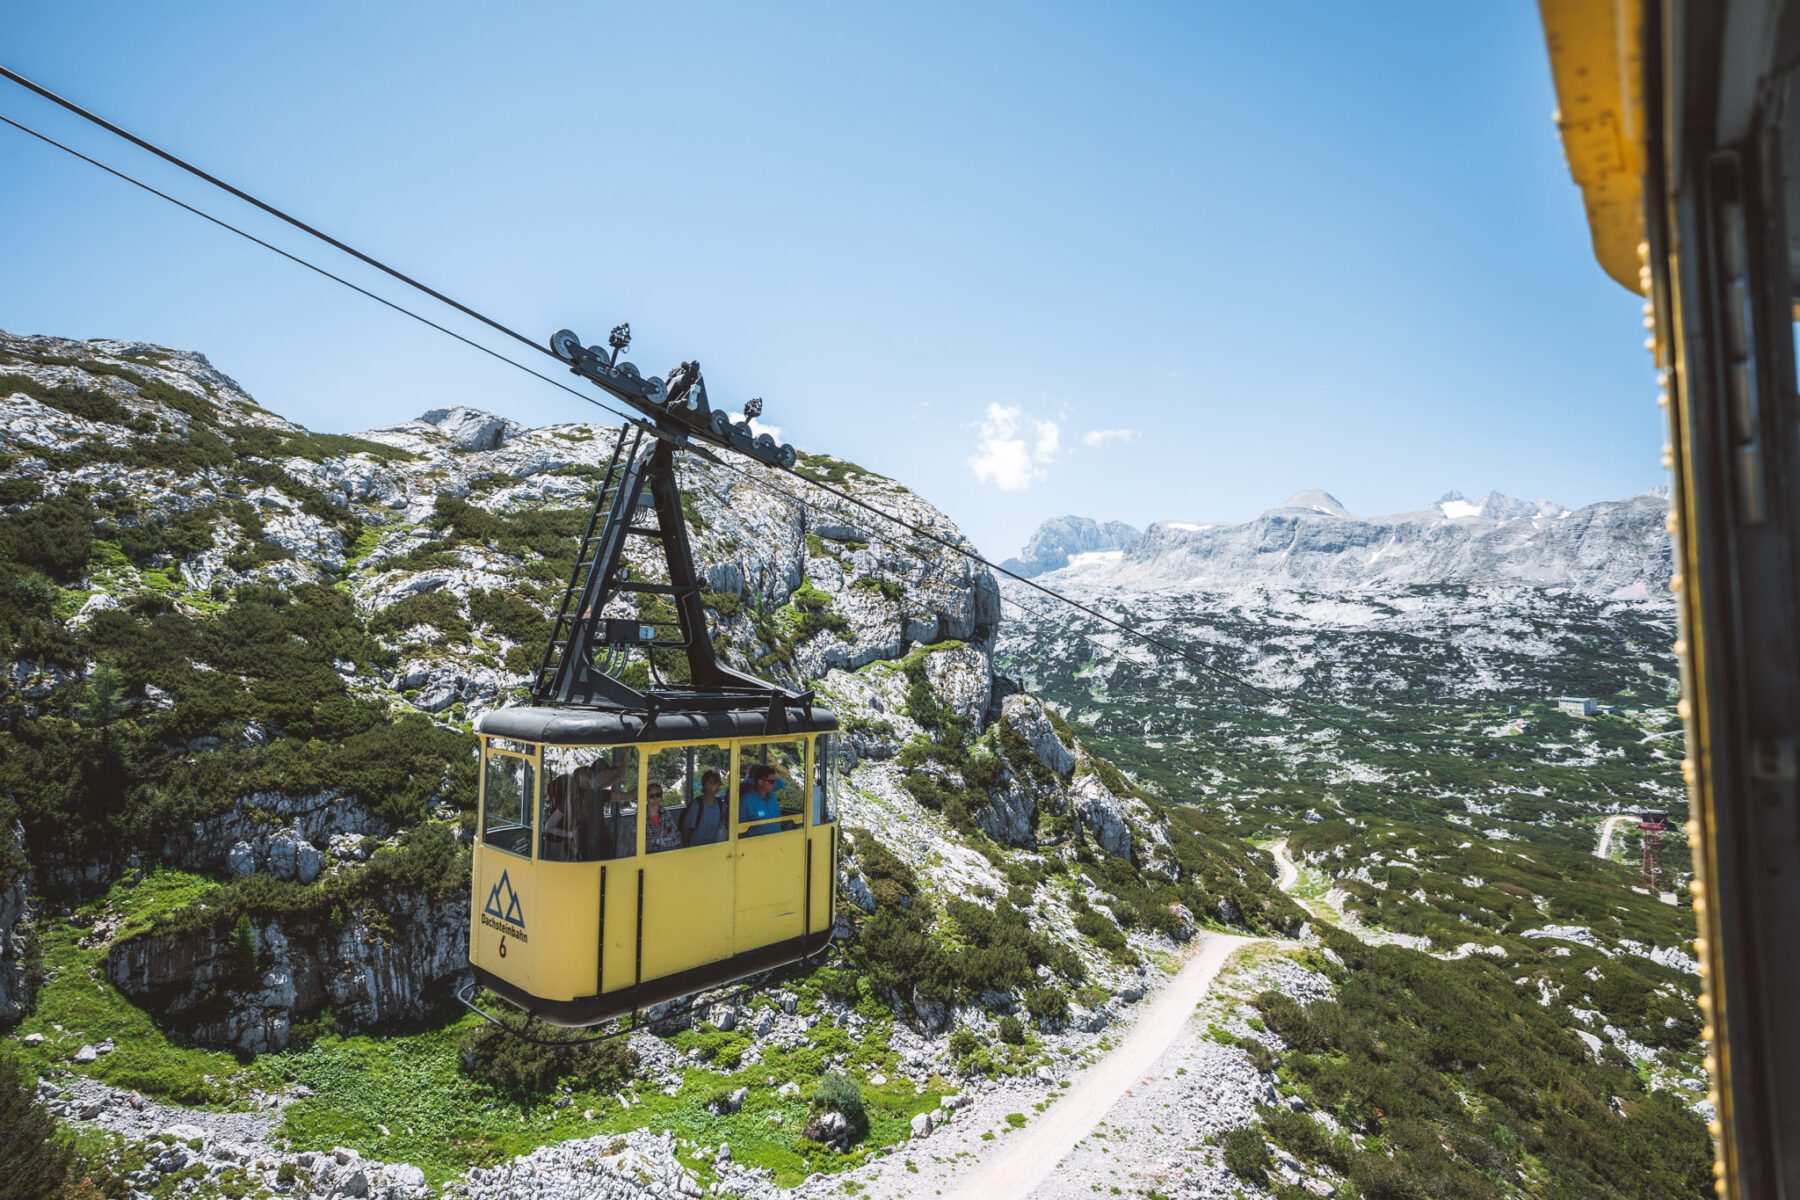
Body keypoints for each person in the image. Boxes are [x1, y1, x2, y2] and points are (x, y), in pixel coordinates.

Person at [682, 769, 727, 846]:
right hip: (695, 850)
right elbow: (686, 830)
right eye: (710, 782)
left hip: (713, 849)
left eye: (716, 783)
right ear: (704, 784)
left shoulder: (720, 804)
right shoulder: (696, 805)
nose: (713, 786)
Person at [644, 782, 682, 853]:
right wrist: (666, 837)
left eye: (658, 795)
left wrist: (656, 840)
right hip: (647, 859)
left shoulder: (666, 814)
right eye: (651, 796)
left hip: (665, 857)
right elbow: (637, 843)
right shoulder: (639, 817)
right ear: (646, 797)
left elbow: (677, 838)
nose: (655, 798)